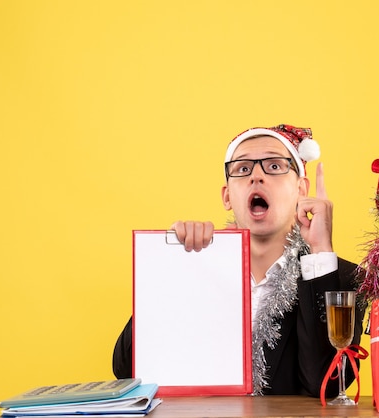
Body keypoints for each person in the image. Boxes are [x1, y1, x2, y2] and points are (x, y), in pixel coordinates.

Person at [112, 124, 365, 397]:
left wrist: (321, 250)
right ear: (227, 196)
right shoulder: (198, 267)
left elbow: (323, 385)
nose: (257, 176)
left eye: (275, 166)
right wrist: (174, 265)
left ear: (302, 188)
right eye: (243, 169)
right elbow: (126, 370)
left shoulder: (342, 277)